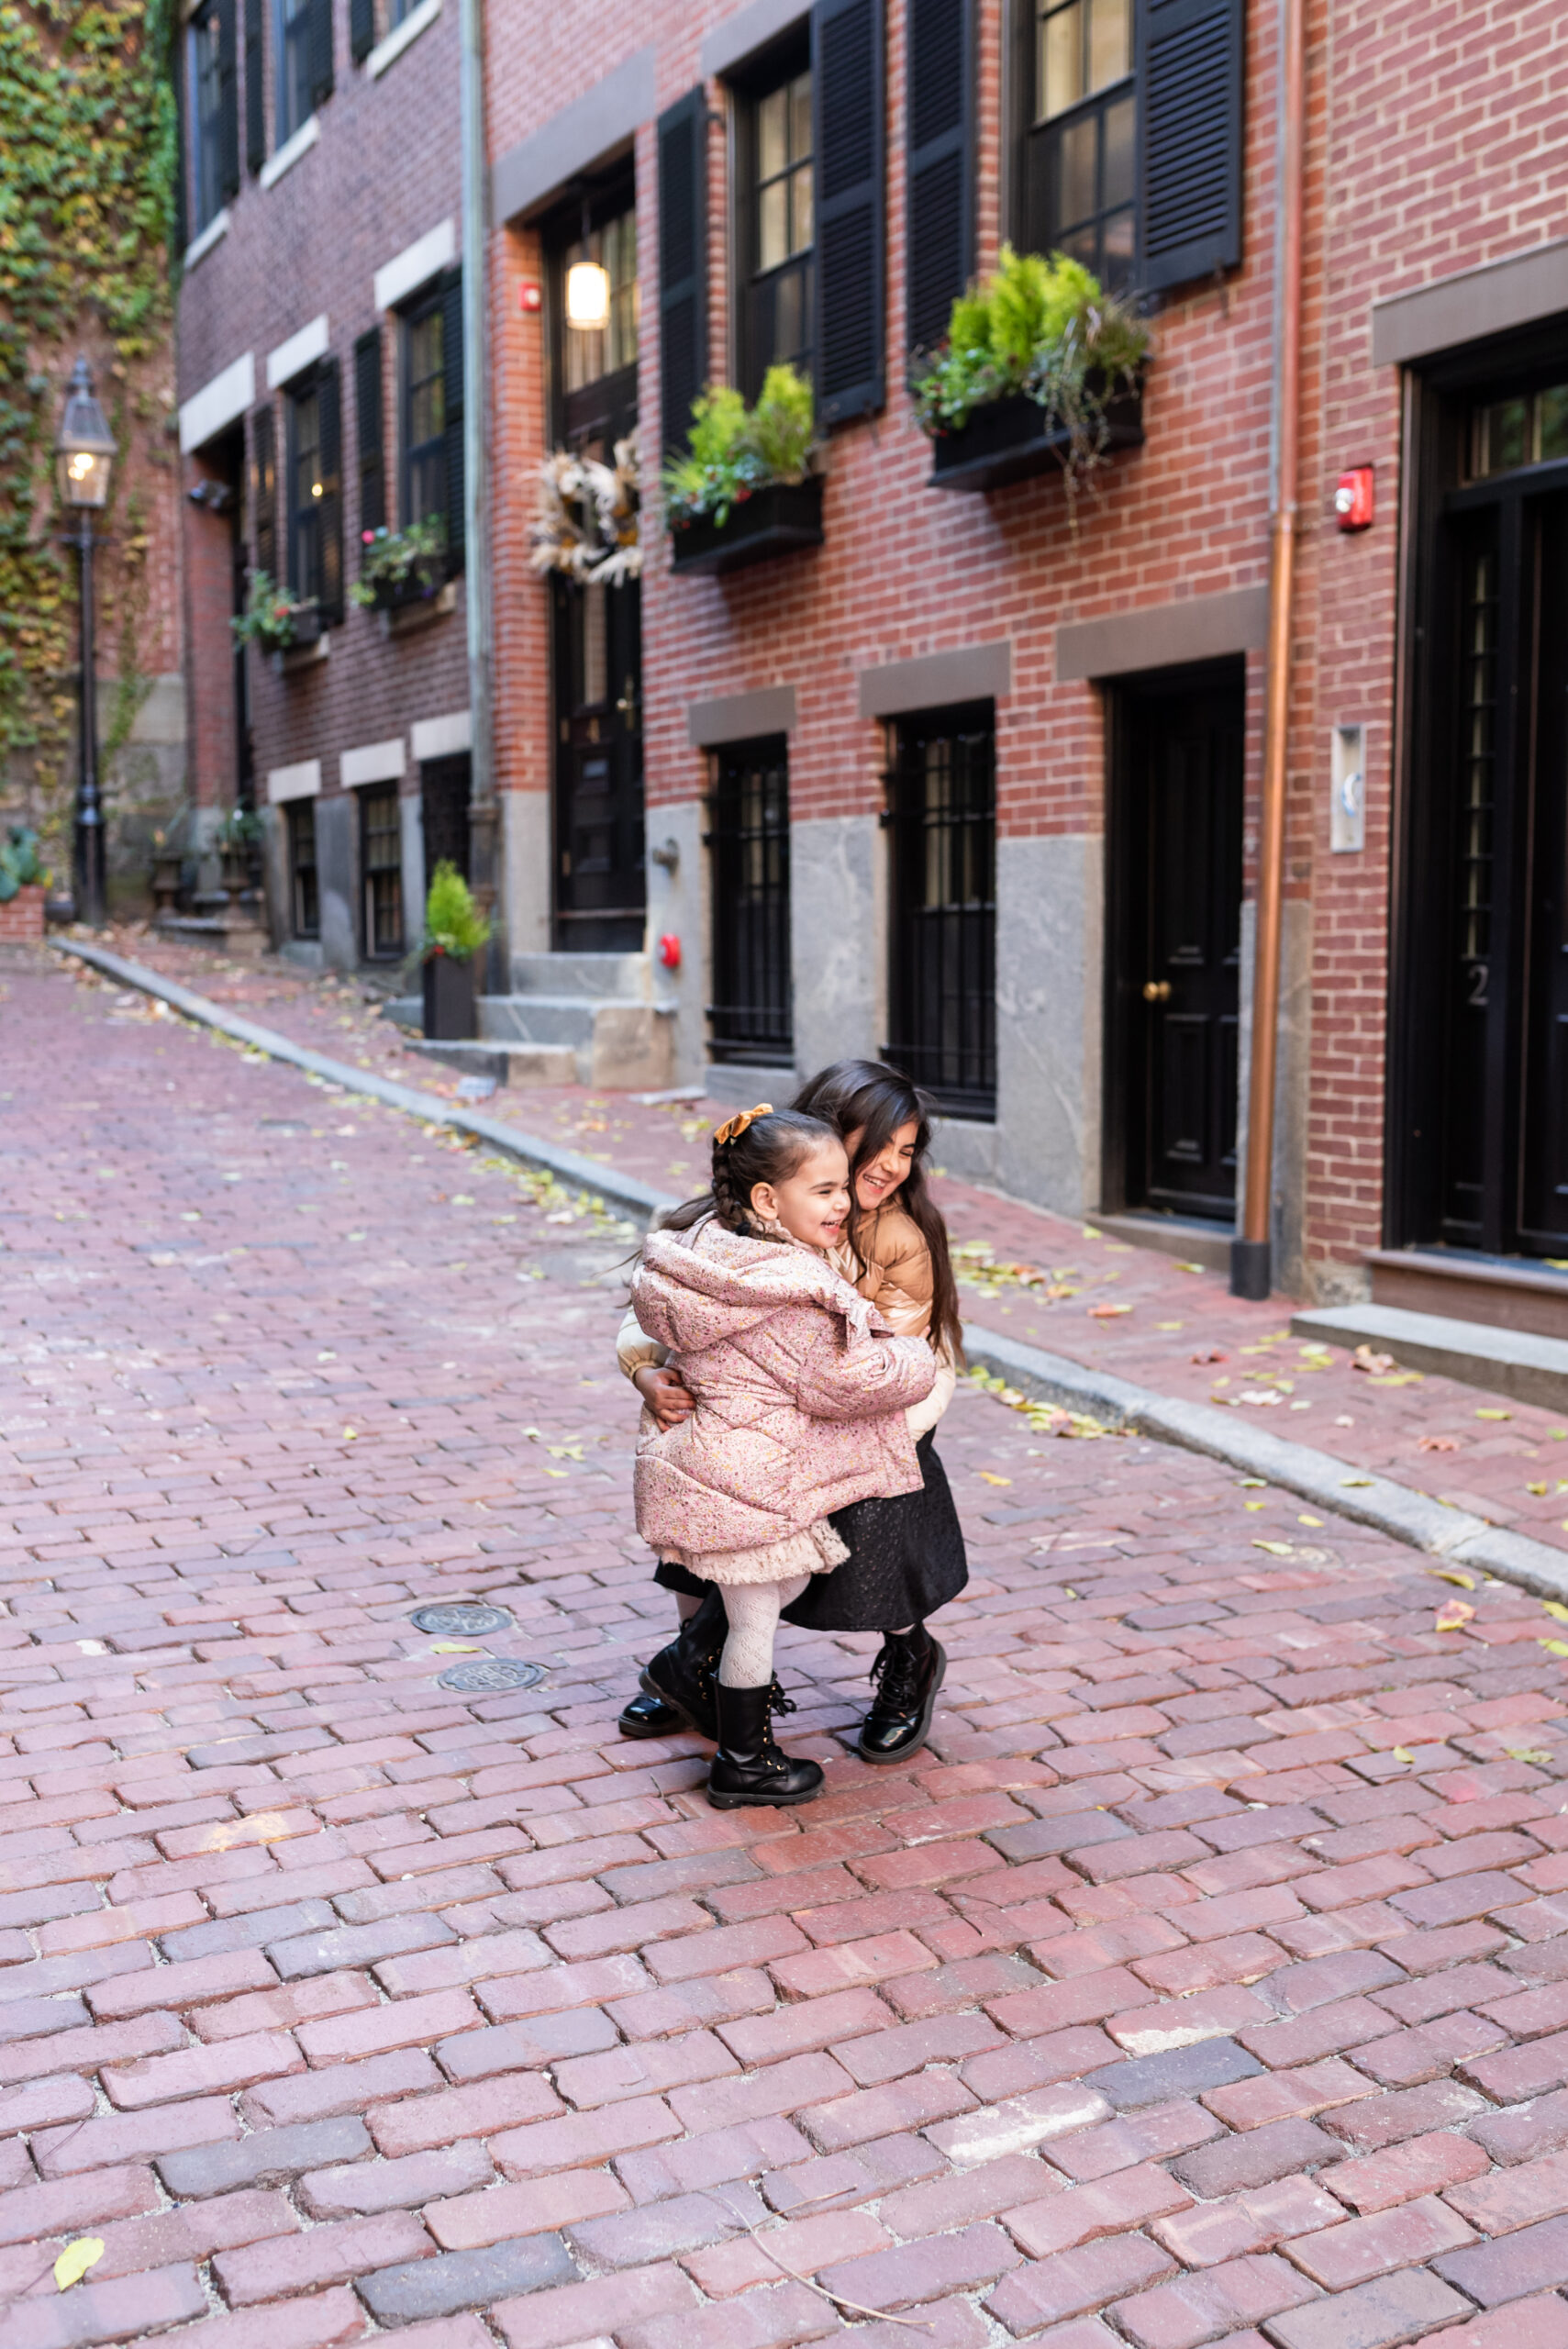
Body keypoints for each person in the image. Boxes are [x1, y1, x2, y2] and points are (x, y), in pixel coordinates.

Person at [620, 1060, 968, 1764]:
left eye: (908, 1151)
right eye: (879, 1146)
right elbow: (657, 1316)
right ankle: (704, 1664)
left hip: (879, 1409)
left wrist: (851, 1447)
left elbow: (908, 1359)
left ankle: (909, 1658)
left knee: (869, 1520)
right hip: (770, 1412)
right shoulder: (745, 1212)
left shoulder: (897, 1238)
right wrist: (645, 1375)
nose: (892, 1167)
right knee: (708, 1481)